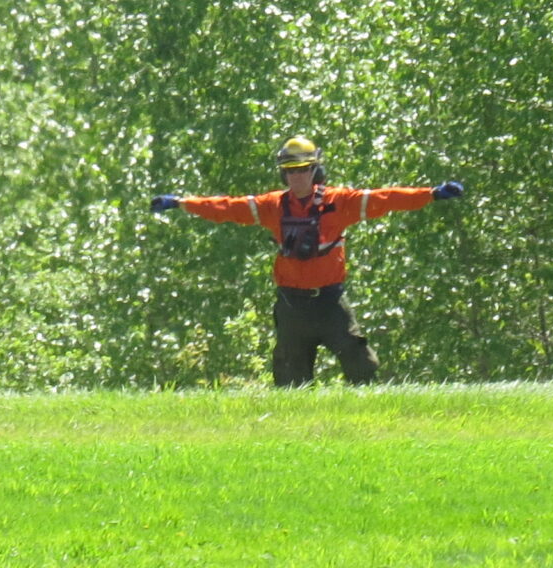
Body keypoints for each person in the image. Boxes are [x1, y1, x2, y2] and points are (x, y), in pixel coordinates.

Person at [151, 137, 464, 388]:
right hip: (292, 305)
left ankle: (369, 421)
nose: (296, 176)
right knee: (290, 379)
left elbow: (388, 198)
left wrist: (432, 194)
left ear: (315, 170)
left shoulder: (340, 202)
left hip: (331, 303)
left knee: (360, 364)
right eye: (290, 171)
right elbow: (226, 207)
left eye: (303, 169)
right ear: (283, 174)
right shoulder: (272, 206)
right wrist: (181, 203)